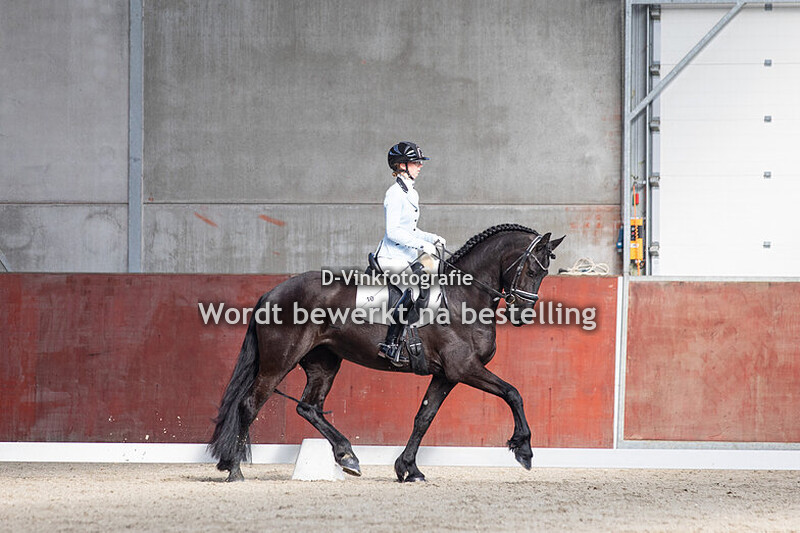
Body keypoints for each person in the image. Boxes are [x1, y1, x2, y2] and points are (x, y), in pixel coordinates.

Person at [374, 141, 446, 365]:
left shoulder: (410, 193)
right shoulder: (394, 193)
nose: (420, 166)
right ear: (401, 165)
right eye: (415, 162)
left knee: (435, 274)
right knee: (415, 290)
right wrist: (422, 245)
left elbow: (410, 229)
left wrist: (430, 238)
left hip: (406, 255)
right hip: (390, 257)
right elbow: (393, 231)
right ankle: (391, 344)